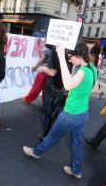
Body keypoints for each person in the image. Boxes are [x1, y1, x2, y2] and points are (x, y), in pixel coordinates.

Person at [23, 41, 98, 179]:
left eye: (71, 57)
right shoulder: (92, 68)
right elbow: (96, 89)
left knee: (51, 137)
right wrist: (81, 89)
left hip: (70, 113)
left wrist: (62, 58)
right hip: (82, 113)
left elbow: (68, 85)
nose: (70, 59)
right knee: (77, 144)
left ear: (78, 55)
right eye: (68, 57)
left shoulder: (82, 71)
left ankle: (35, 152)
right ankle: (76, 170)